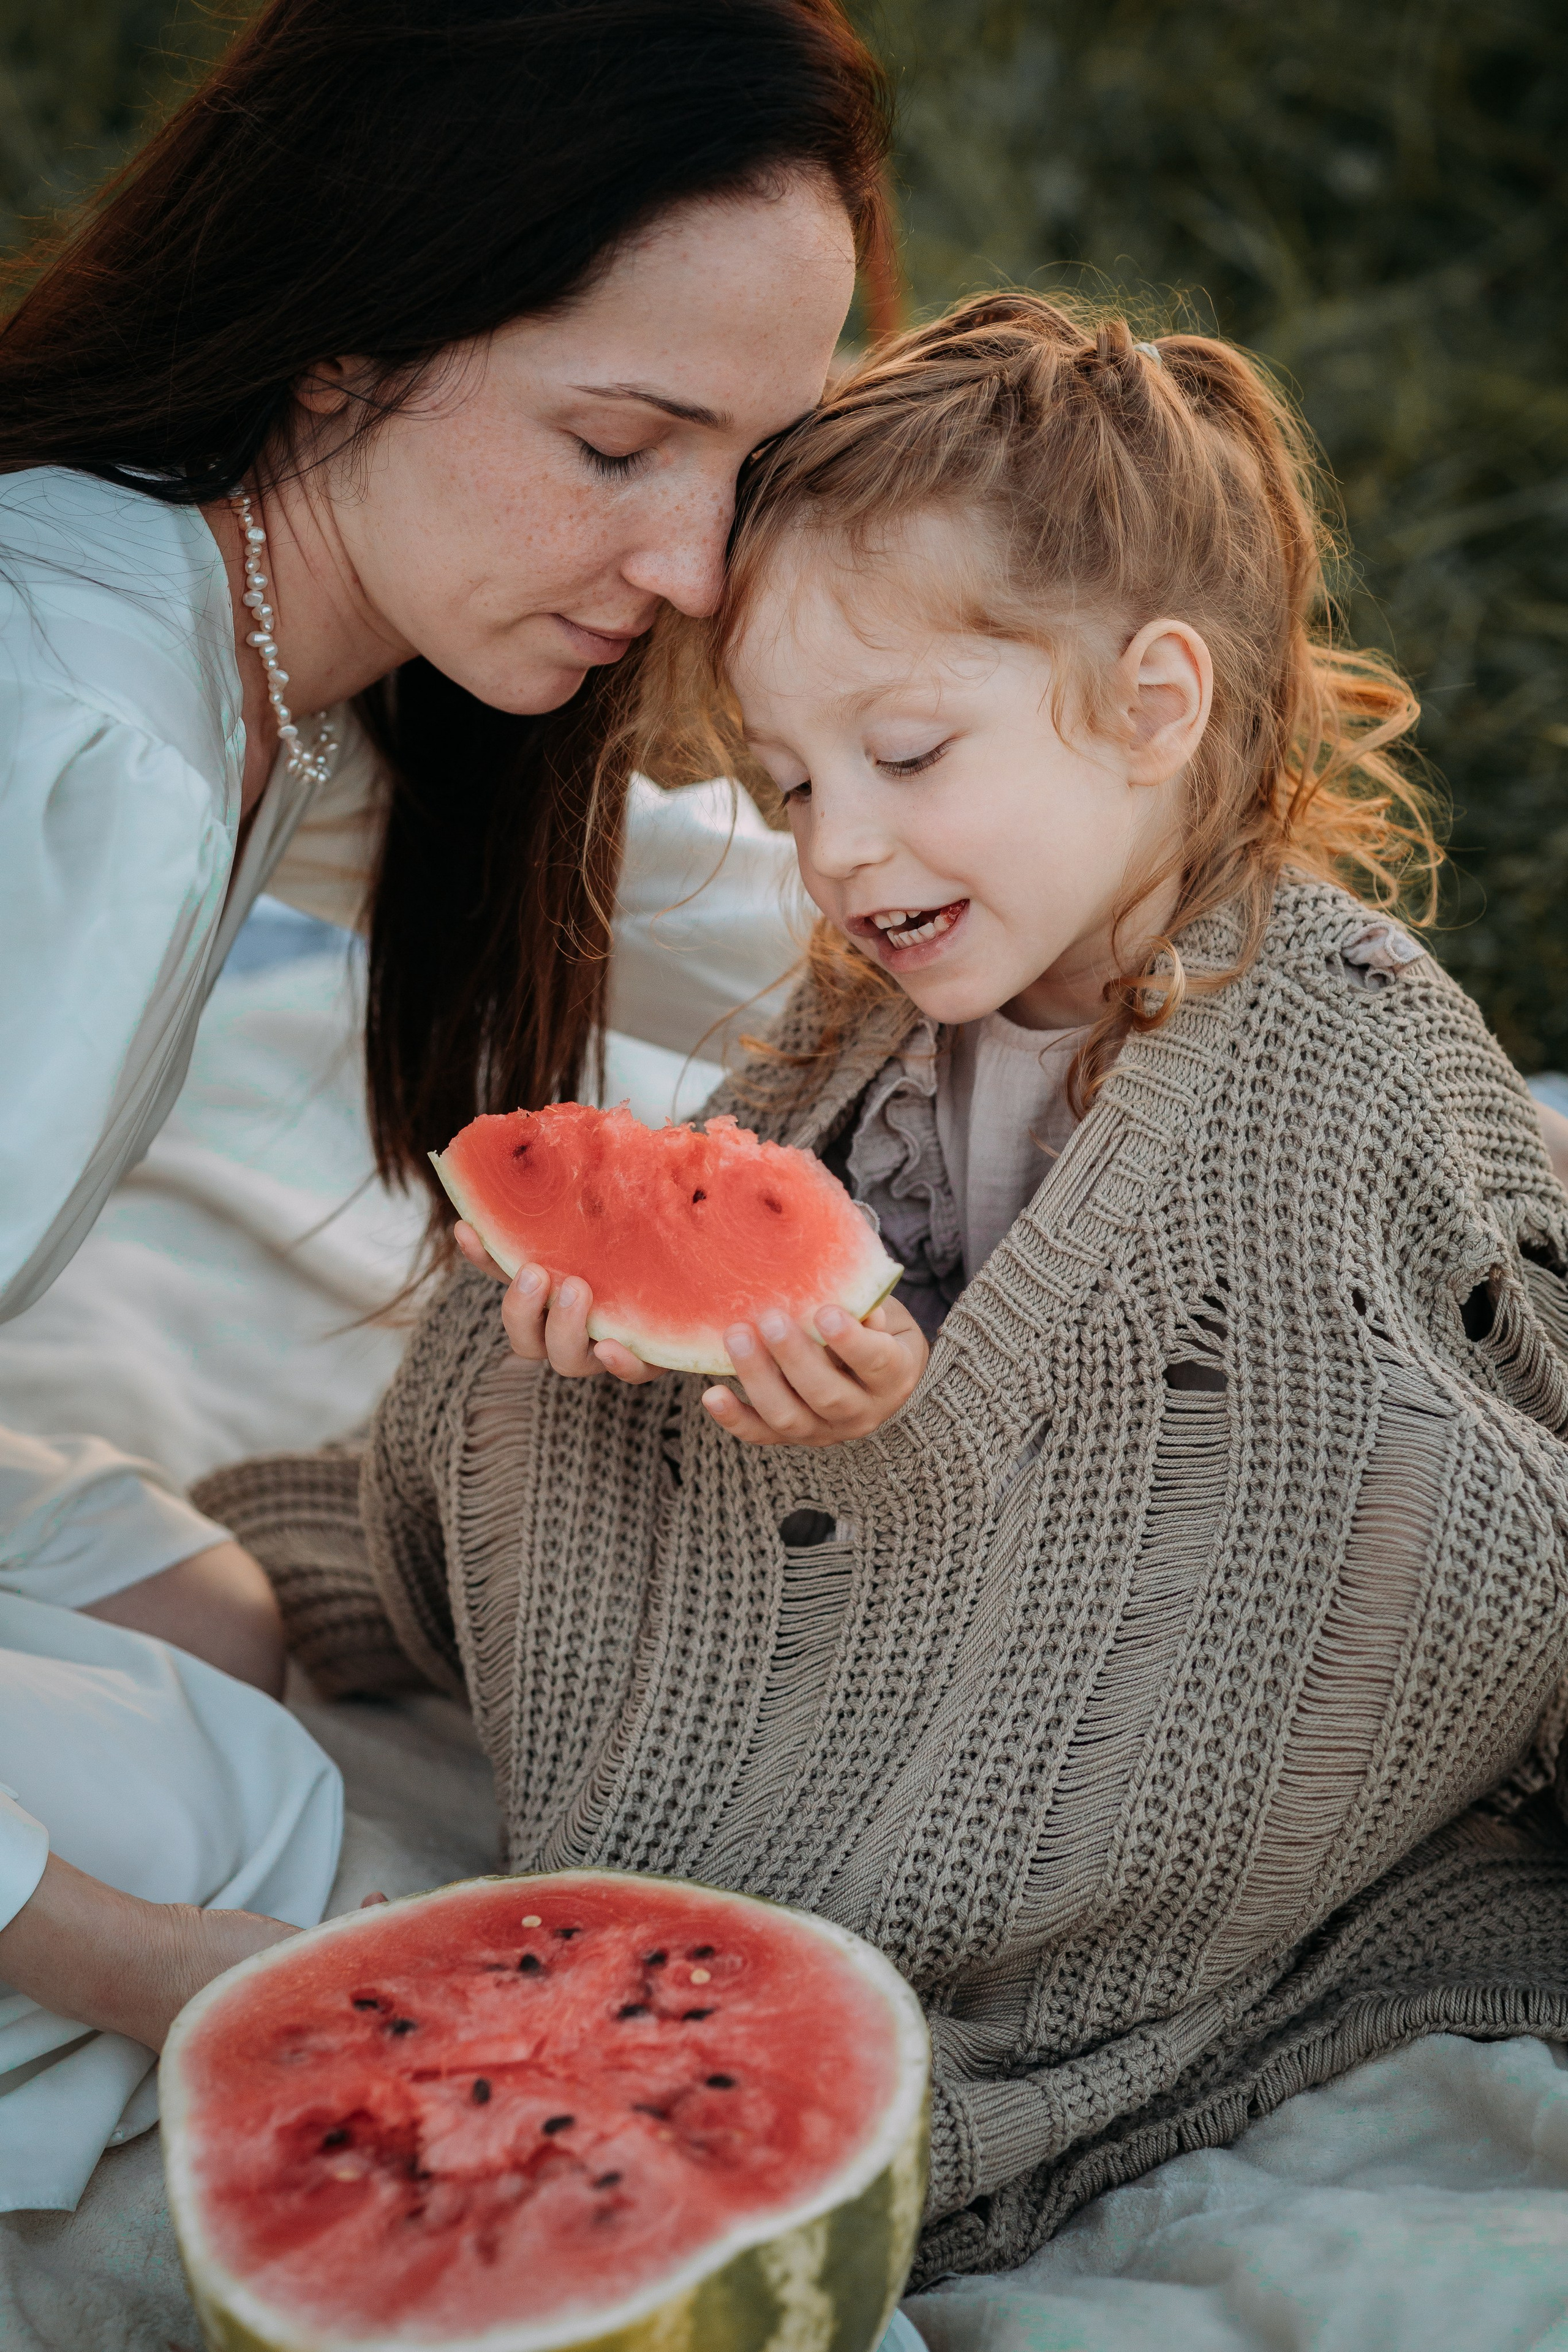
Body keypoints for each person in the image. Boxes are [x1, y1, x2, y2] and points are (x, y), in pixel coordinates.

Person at [221, 293, 1568, 2283]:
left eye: (907, 754)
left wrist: (914, 1419)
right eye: (787, 788)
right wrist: (688, 1378)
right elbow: (870, 1285)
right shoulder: (883, 1006)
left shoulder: (1343, 1045)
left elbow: (1389, 1473)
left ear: (1156, 703)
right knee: (529, 1397)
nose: (840, 852)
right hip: (864, 1560)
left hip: (1141, 1676)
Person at [0, 0, 888, 2208]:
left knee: (204, 1618)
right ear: (342, 345)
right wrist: (164, 1969)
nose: (695, 569)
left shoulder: (254, 637)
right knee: (219, 1820)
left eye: (744, 469)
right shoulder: (68, 747)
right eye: (620, 446)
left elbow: (695, 905)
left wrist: (1176, 948)